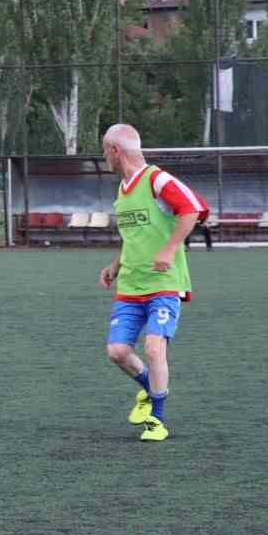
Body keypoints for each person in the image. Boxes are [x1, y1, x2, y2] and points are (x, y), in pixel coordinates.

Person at [97, 125, 208, 442]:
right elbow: (134, 237)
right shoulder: (122, 188)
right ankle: (149, 390)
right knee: (117, 351)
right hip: (131, 285)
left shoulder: (157, 179)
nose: (104, 156)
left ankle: (157, 421)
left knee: (154, 347)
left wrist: (170, 248)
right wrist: (115, 266)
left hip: (164, 283)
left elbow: (193, 208)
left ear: (116, 150)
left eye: (105, 150)